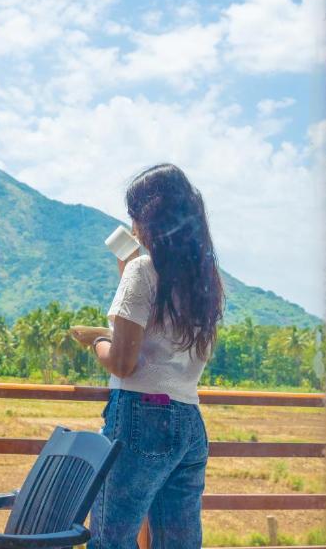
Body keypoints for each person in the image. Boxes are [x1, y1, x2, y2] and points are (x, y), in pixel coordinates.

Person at [72, 163, 224, 548]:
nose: (133, 227)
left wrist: (96, 342)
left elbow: (124, 363)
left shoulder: (142, 270)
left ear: (149, 217)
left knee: (111, 539)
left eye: (135, 216)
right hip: (189, 419)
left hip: (142, 415)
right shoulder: (205, 279)